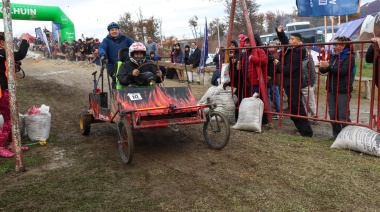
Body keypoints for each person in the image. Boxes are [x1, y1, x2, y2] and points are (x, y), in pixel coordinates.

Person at [274, 24, 313, 137]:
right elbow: (285, 41)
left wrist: (278, 64)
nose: (289, 41)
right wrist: (280, 32)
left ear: (297, 41)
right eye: (290, 39)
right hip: (290, 82)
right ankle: (302, 129)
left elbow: (287, 70)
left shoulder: (298, 51)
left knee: (296, 106)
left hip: (293, 81)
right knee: (293, 106)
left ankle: (306, 131)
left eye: (292, 39)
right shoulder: (294, 48)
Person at [0, 32, 30, 157]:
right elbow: (20, 54)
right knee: (9, 119)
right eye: (8, 42)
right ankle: (1, 146)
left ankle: (14, 143)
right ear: (2, 42)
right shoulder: (1, 52)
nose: (10, 44)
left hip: (4, 89)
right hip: (2, 91)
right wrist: (24, 41)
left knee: (13, 116)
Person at [319, 36, 355, 139]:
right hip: (331, 88)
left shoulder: (349, 57)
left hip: (343, 89)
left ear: (343, 45)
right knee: (332, 114)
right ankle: (337, 135)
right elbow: (324, 71)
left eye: (336, 44)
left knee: (343, 115)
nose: (333, 46)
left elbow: (343, 71)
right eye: (333, 44)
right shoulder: (332, 55)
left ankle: (348, 136)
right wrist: (323, 66)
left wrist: (329, 66)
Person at [98, 22, 134, 87]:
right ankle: (115, 94)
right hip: (112, 65)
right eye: (112, 30)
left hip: (127, 63)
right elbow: (102, 47)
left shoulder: (126, 39)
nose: (114, 31)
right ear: (109, 31)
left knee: (131, 77)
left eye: (116, 29)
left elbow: (135, 46)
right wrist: (102, 54)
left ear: (118, 30)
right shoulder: (106, 40)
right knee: (116, 78)